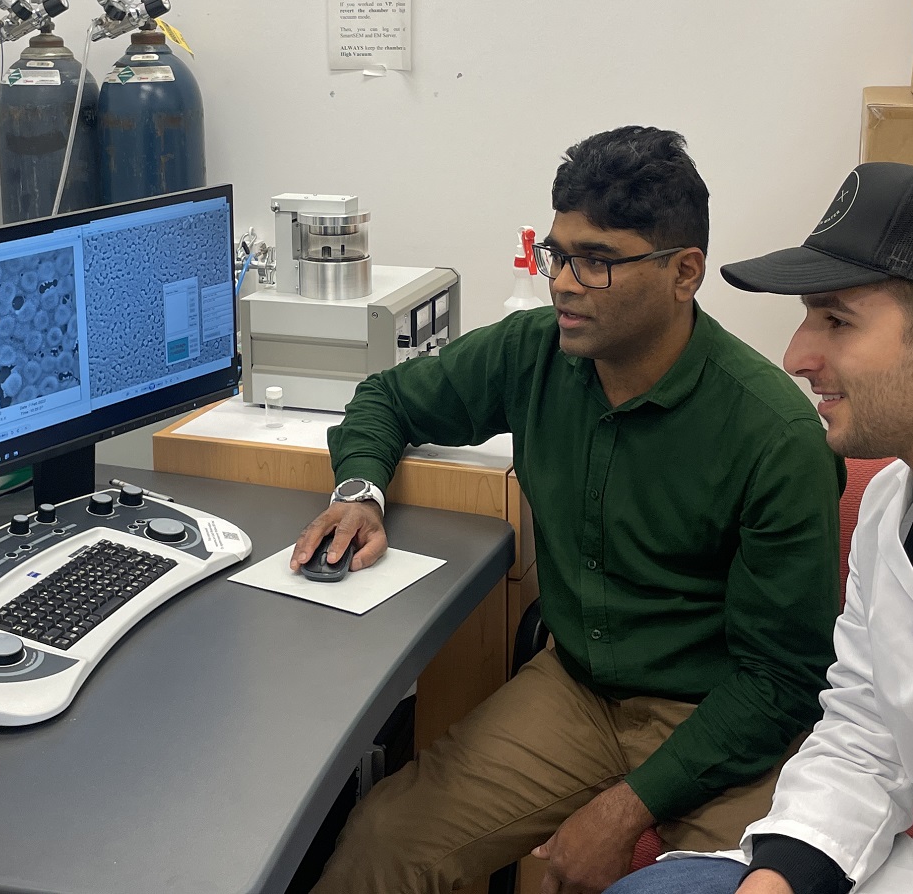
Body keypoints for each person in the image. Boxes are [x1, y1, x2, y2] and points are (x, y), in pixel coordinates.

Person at [299, 126, 845, 894]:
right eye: (559, 254)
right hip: (578, 689)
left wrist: (625, 811)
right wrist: (360, 492)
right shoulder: (537, 351)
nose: (563, 283)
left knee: (717, 888)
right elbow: (386, 398)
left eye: (598, 261)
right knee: (385, 844)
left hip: (724, 720)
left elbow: (784, 679)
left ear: (684, 272)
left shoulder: (773, 434)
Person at [610, 162, 913, 894]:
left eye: (836, 320)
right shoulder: (892, 504)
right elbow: (866, 727)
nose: (795, 357)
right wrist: (780, 880)